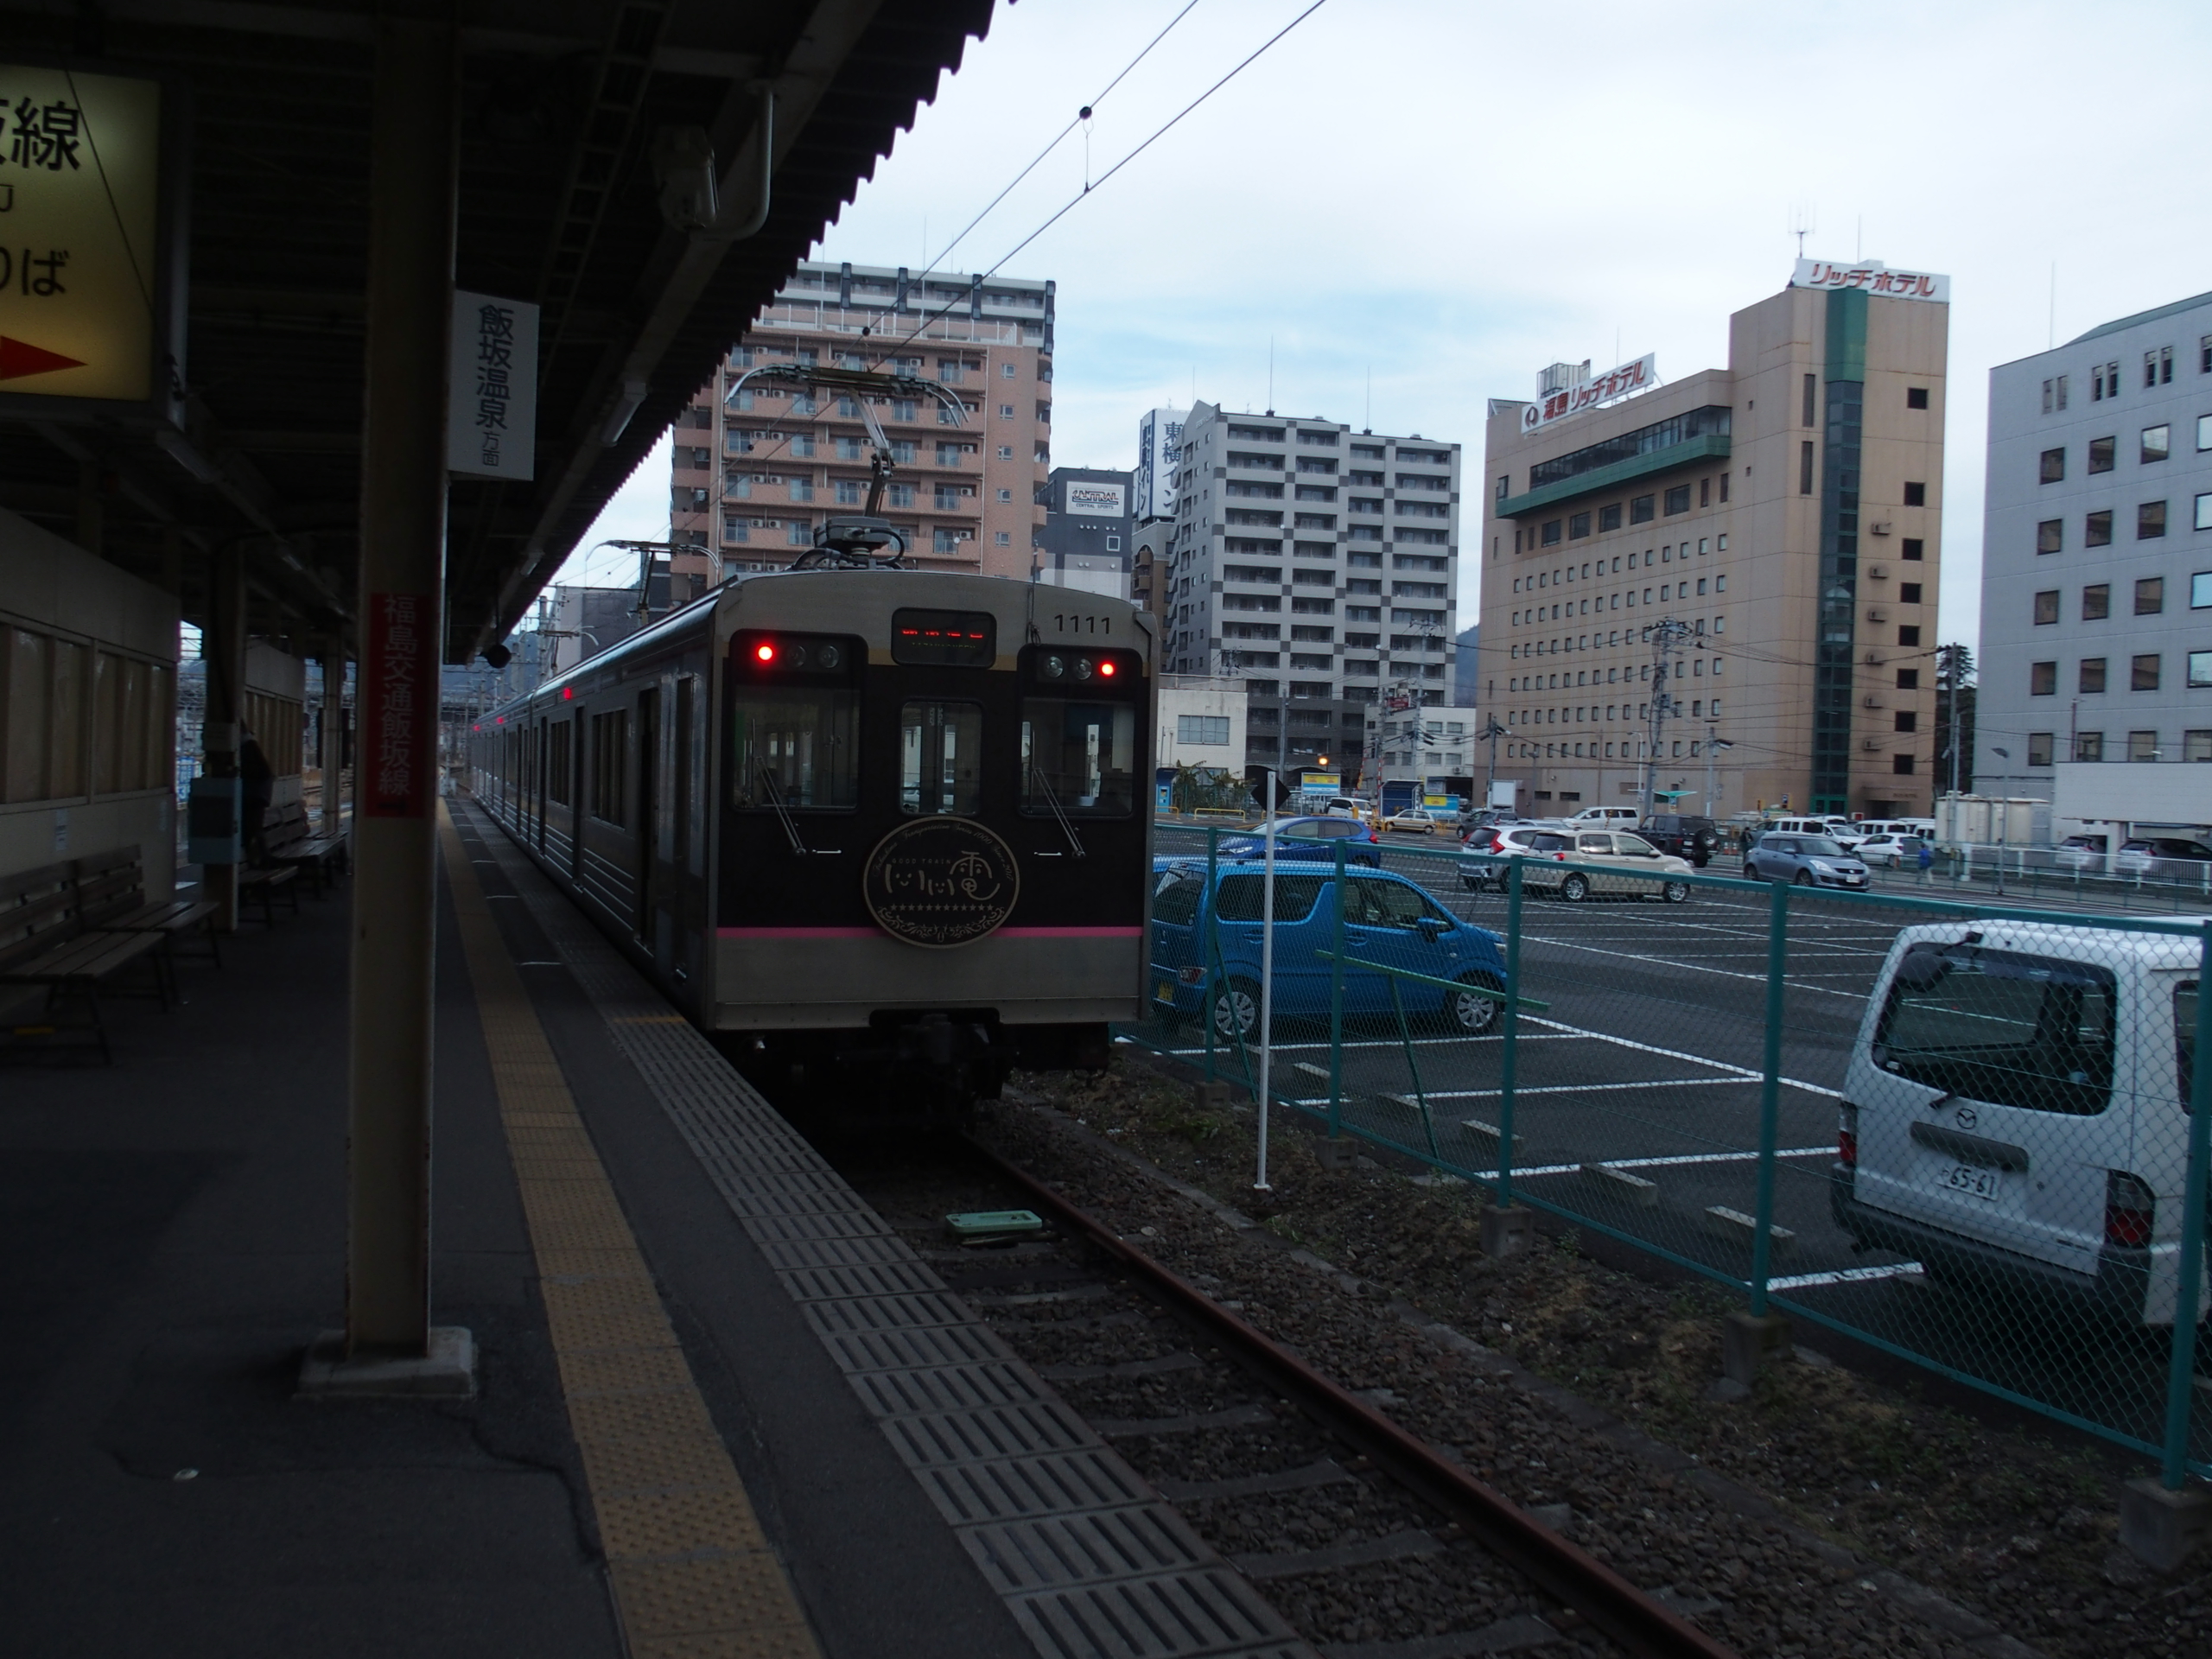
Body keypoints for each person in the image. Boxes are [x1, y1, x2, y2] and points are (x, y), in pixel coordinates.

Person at [238, 726, 276, 864]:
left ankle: (259, 858)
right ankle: (261, 857)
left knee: (251, 829)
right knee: (254, 829)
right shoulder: (252, 748)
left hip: (252, 799)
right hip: (258, 798)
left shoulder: (246, 750)